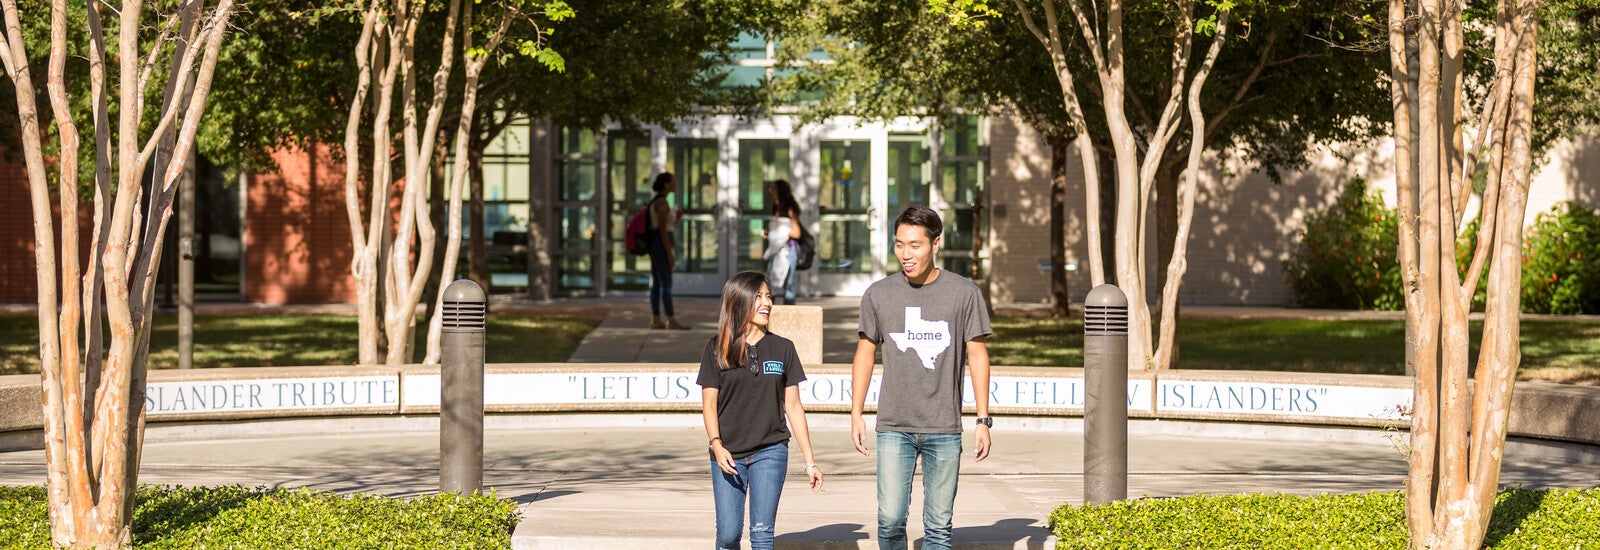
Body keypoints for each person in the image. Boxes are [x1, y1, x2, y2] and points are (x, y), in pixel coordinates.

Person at [849, 205, 993, 550]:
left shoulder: (964, 292)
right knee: (890, 520)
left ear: (936, 243)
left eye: (915, 245)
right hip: (894, 424)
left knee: (939, 527)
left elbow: (977, 354)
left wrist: (983, 419)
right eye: (899, 244)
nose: (905, 254)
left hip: (943, 426)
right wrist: (856, 412)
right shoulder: (879, 294)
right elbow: (865, 353)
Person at [698, 271, 825, 550]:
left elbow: (793, 407)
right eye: (758, 297)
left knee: (762, 534)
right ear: (738, 301)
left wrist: (810, 461)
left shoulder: (783, 348)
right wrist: (716, 445)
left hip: (771, 450)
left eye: (768, 296)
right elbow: (709, 404)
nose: (766, 302)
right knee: (729, 534)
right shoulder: (715, 348)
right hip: (727, 453)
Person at [648, 172, 689, 330]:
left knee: (658, 283)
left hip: (660, 245)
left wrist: (678, 217)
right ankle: (670, 319)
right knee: (665, 283)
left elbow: (668, 225)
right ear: (666, 184)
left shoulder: (662, 202)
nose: (676, 184)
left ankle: (656, 318)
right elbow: (663, 231)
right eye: (673, 181)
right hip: (660, 245)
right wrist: (669, 253)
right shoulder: (660, 203)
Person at [763, 179, 803, 305]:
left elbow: (796, 232)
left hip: (787, 250)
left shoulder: (790, 209)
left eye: (773, 189)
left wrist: (781, 232)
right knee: (771, 281)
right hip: (775, 249)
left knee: (788, 283)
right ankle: (769, 309)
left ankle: (789, 313)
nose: (769, 191)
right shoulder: (775, 207)